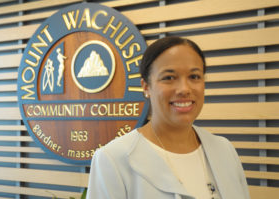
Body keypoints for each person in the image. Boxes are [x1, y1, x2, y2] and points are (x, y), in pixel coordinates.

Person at [86, 36, 250, 199]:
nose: (184, 89)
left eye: (194, 77)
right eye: (169, 78)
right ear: (146, 86)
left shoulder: (224, 150)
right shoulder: (113, 159)